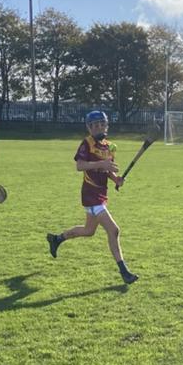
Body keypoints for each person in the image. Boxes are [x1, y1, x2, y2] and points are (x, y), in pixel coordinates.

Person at [47, 109, 138, 284]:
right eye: (95, 125)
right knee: (114, 230)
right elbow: (80, 166)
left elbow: (107, 170)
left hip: (101, 194)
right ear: (89, 128)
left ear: (106, 125)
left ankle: (57, 239)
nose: (99, 127)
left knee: (89, 231)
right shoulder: (86, 143)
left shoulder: (109, 146)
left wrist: (116, 179)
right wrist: (101, 163)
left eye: (102, 124)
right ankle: (124, 271)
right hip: (90, 194)